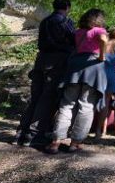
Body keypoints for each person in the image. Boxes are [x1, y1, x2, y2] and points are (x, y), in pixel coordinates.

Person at [14, 0, 75, 147]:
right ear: (67, 7)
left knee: (35, 96)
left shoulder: (45, 21)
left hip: (41, 59)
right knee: (47, 97)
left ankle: (21, 133)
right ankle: (34, 135)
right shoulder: (65, 22)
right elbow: (72, 41)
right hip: (56, 62)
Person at [46, 8, 108, 154]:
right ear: (99, 20)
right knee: (85, 106)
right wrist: (102, 56)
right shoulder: (99, 30)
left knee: (67, 104)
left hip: (74, 66)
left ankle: (56, 142)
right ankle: (75, 143)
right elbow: (104, 39)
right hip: (92, 67)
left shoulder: (78, 32)